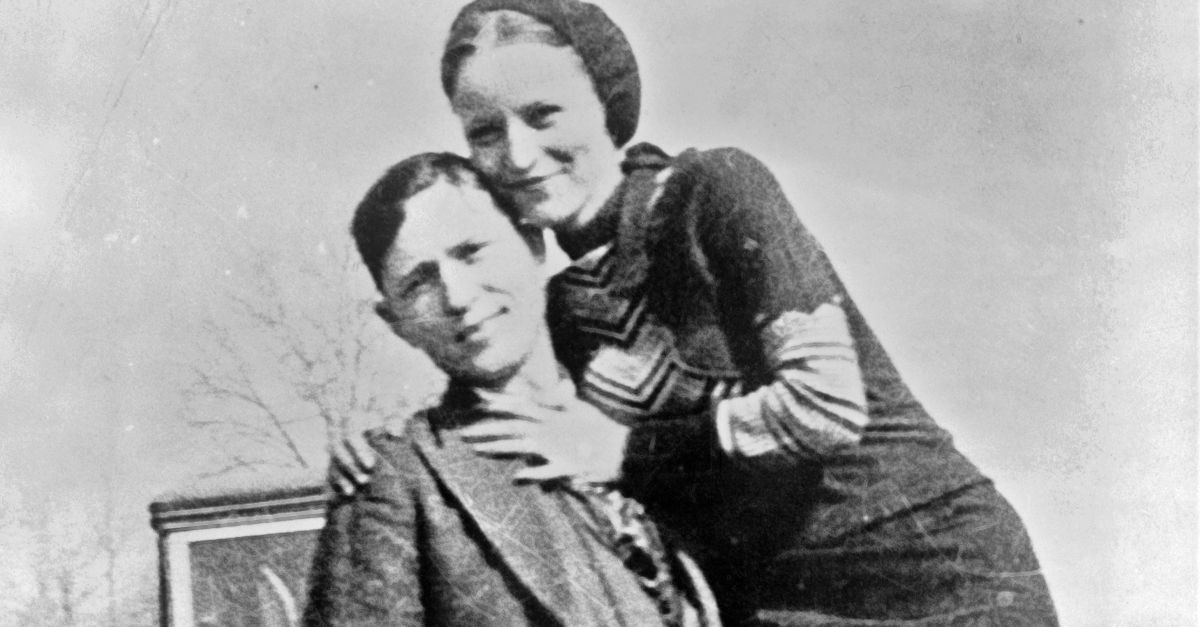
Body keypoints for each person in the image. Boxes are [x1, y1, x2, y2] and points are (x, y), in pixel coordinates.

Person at [334, 1, 1060, 623]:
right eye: (485, 133)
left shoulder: (711, 193)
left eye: (543, 114)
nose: (518, 153)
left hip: (938, 577)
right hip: (766, 603)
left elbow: (825, 406)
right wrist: (373, 454)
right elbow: (507, 411)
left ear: (607, 102)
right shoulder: (557, 311)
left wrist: (629, 450)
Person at [304, 152, 720, 627]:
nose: (458, 297)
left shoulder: (653, 413)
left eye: (471, 251)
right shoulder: (398, 481)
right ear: (396, 323)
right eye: (419, 282)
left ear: (534, 244)